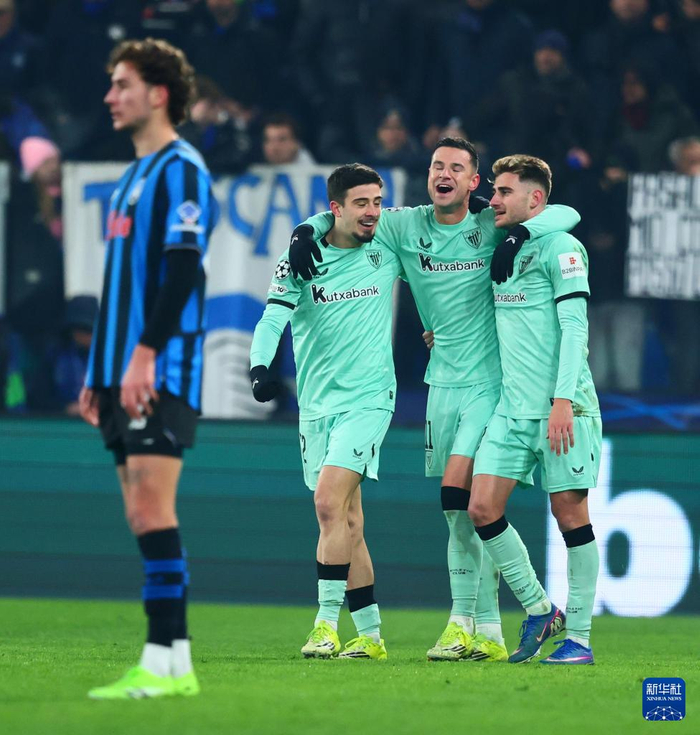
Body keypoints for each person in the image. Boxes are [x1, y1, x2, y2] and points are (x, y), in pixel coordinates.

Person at [290, 138, 580, 662]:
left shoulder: (492, 223)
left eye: (456, 168)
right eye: (436, 166)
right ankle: (488, 631)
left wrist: (521, 234)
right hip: (440, 383)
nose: (443, 173)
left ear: (474, 183)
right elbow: (349, 212)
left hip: (491, 384)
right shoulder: (405, 226)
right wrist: (305, 230)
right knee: (460, 514)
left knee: (457, 497)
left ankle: (464, 620)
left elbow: (563, 213)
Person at [78, 38, 217, 699]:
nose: (110, 96)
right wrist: (98, 369)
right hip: (120, 368)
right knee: (140, 511)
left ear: (158, 94)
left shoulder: (181, 169)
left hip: (161, 367)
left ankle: (161, 659)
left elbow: (183, 270)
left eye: (122, 84)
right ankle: (174, 662)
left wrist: (144, 355)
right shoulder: (132, 176)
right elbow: (119, 285)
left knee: (153, 506)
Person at [250, 164, 403, 660]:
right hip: (317, 405)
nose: (373, 212)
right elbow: (272, 317)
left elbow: (442, 223)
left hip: (369, 399)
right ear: (336, 208)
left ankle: (325, 625)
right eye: (362, 203)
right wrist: (259, 367)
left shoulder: (388, 243)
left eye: (378, 201)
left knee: (327, 502)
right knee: (347, 521)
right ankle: (372, 637)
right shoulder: (301, 255)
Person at [469, 154, 601, 665]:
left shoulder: (563, 248)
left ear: (536, 198)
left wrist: (563, 400)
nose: (495, 200)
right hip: (512, 409)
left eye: (505, 192)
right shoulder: (505, 243)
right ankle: (541, 608)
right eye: (495, 190)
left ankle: (580, 639)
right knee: (482, 508)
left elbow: (575, 328)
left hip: (562, 409)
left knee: (570, 515)